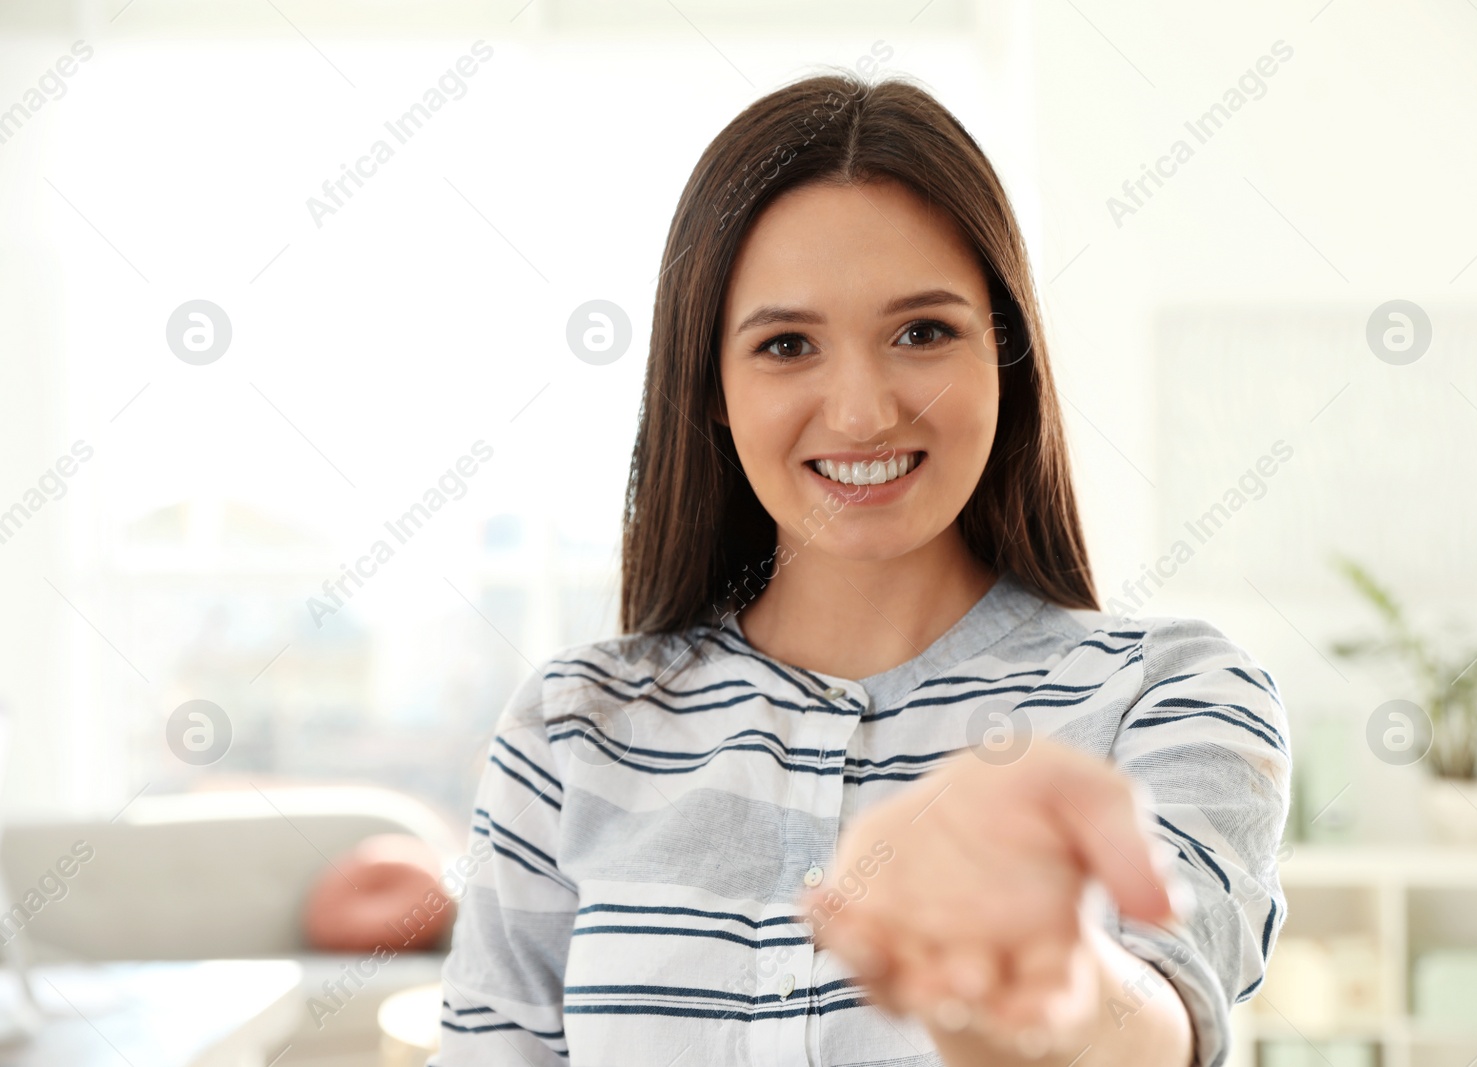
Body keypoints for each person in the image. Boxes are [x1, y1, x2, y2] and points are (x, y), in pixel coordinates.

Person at [434, 71, 1290, 1067]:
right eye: (786, 344)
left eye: (922, 331)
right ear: (710, 386)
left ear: (1004, 353)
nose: (859, 411)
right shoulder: (573, 727)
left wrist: (1052, 985)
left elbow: (1161, 1013)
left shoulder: (1172, 693)